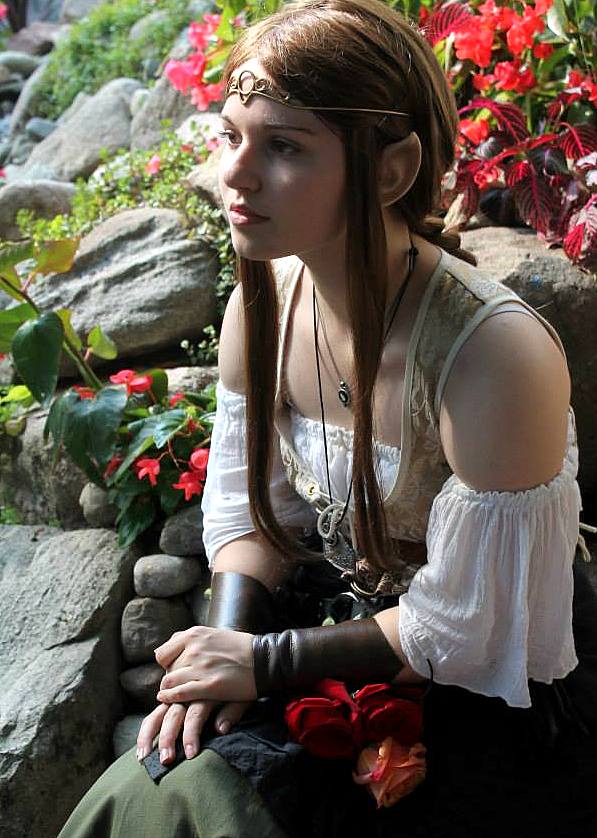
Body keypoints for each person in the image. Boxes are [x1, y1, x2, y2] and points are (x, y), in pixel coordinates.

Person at [58, 1, 597, 836]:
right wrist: (218, 661)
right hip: (340, 622)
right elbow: (250, 513)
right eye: (231, 135)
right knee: (158, 785)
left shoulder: (493, 359)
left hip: (488, 680)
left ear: (390, 171)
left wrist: (263, 662)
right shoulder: (265, 303)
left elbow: (470, 624)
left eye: (282, 147)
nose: (234, 175)